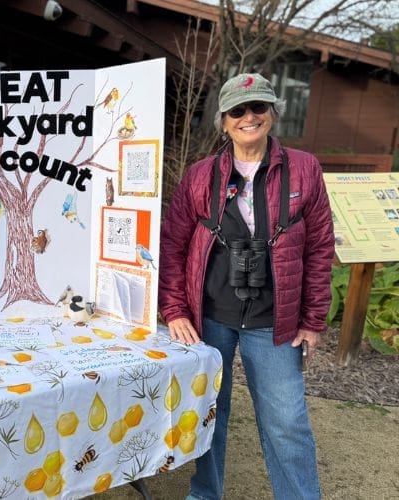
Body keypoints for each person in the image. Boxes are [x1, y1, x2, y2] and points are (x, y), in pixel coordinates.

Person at [159, 73, 334, 500]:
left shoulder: (304, 169)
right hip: (210, 315)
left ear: (273, 113)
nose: (249, 117)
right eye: (238, 110)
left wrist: (312, 320)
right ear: (223, 121)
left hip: (275, 320)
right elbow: (173, 244)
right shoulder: (201, 175)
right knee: (209, 413)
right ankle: (205, 492)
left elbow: (320, 247)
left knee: (287, 422)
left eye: (258, 107)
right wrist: (176, 310)